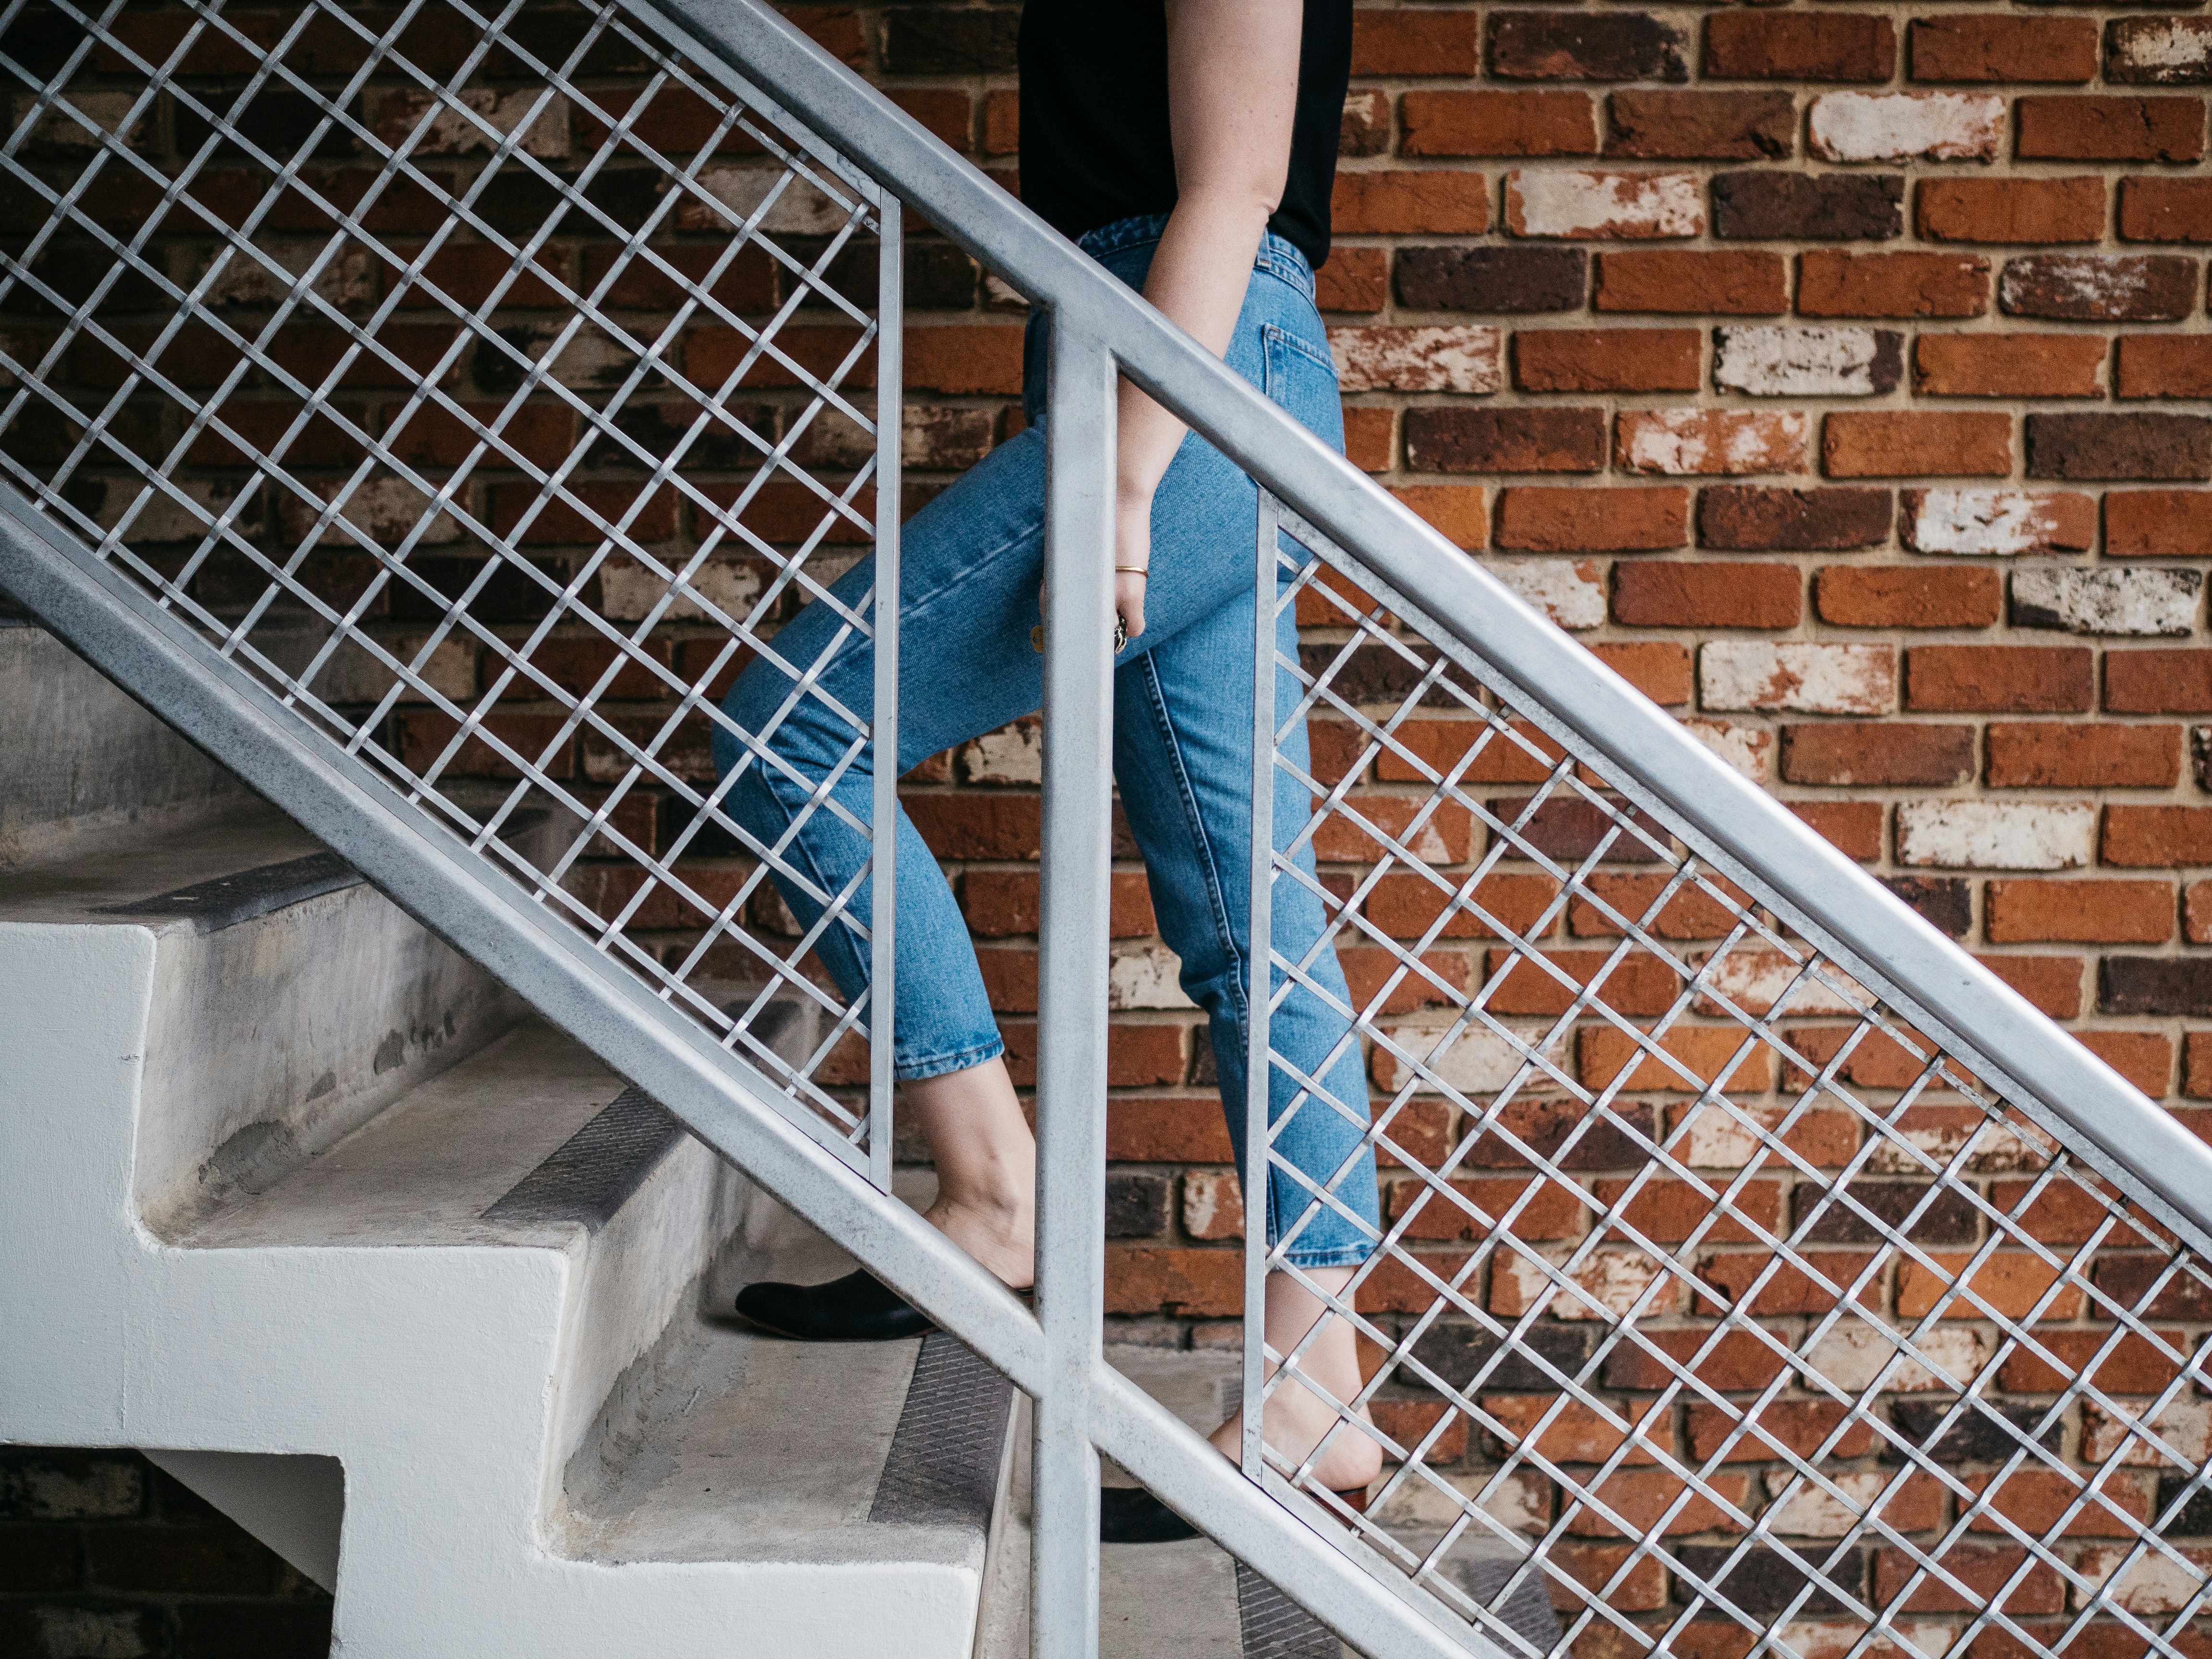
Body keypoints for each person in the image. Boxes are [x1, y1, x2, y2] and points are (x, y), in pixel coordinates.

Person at [713, 0, 1382, 1541]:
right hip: (1163, 355)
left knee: (791, 725)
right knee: (1248, 916)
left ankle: (994, 1191)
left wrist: (1127, 473)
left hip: (1188, 366)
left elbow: (1237, 180)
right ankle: (1317, 1389)